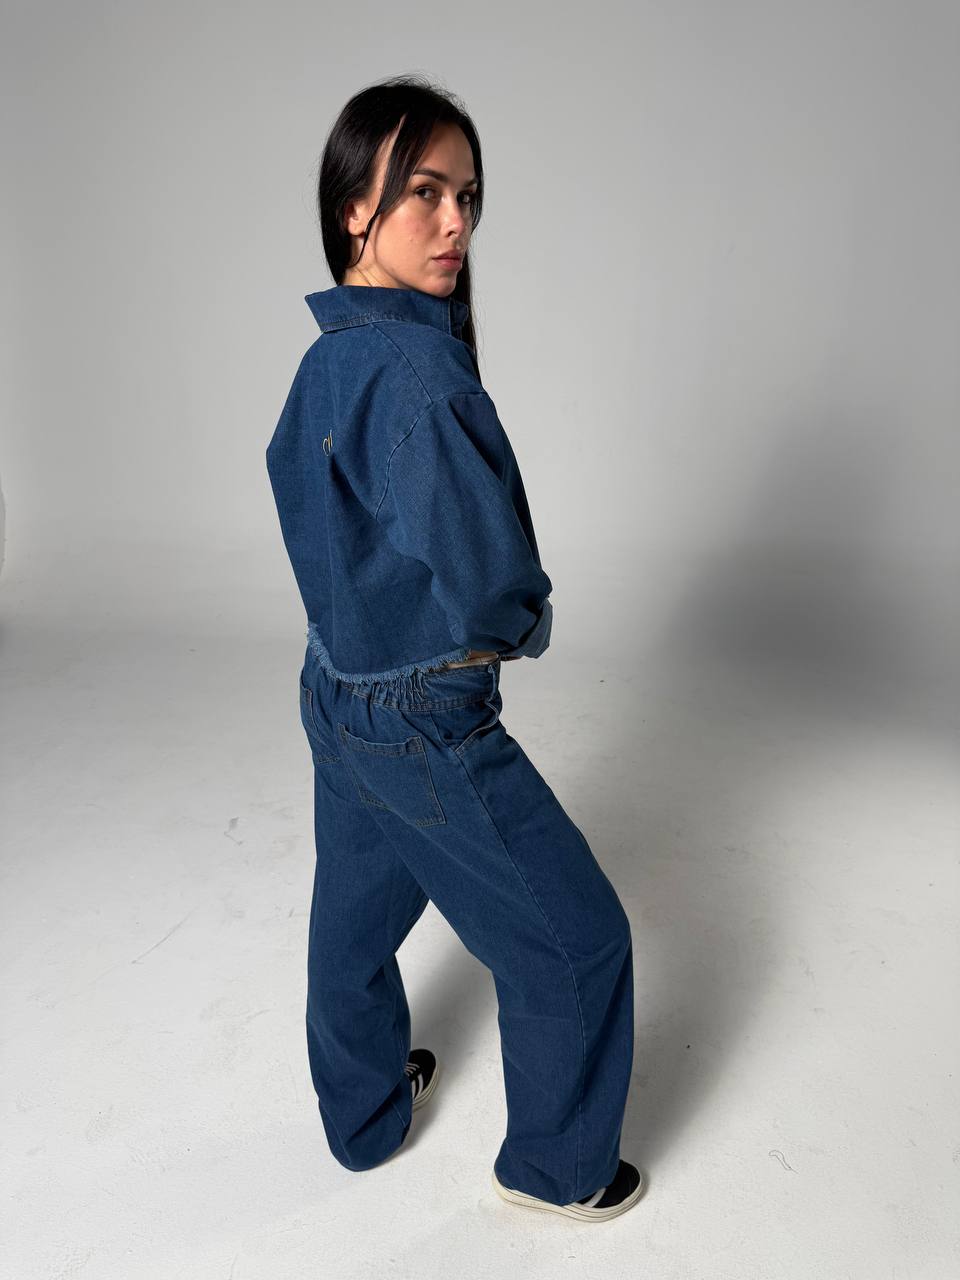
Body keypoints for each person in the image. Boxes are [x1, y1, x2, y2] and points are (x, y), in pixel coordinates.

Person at [265, 74, 643, 1222]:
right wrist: (524, 626)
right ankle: (560, 1171)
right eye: (424, 191)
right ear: (354, 209)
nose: (454, 223)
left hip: (335, 691)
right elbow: (492, 583)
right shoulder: (421, 379)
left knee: (353, 915)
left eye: (467, 197)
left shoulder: (325, 363)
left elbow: (300, 501)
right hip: (424, 719)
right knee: (576, 940)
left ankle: (363, 1115)